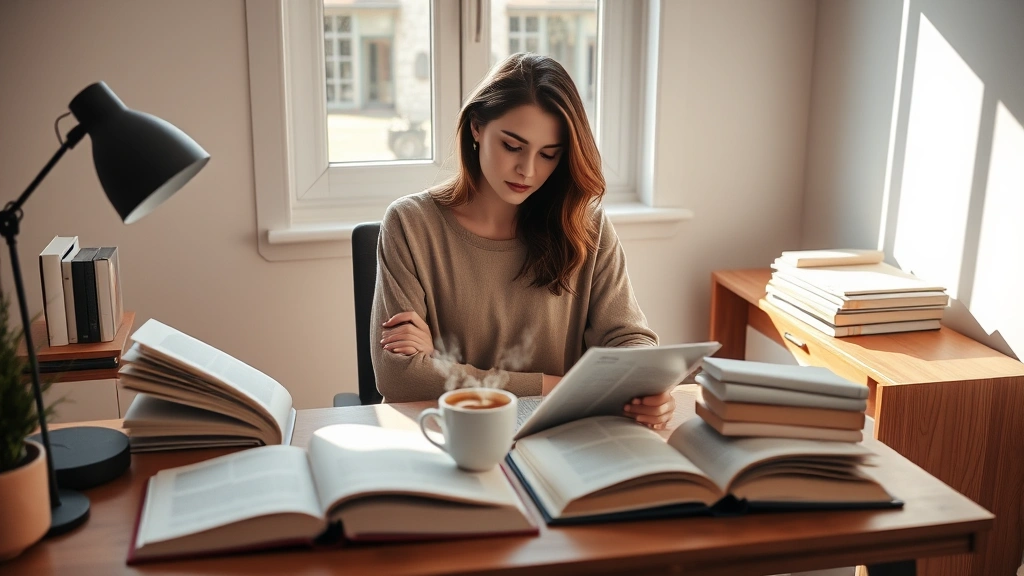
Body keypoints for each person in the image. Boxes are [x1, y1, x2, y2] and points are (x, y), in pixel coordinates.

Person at [370, 53, 675, 429]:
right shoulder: (411, 224)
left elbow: (628, 340)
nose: (528, 170)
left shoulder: (585, 225)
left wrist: (650, 389)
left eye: (548, 155)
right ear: (477, 128)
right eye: (513, 146)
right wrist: (558, 386)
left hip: (559, 438)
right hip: (448, 437)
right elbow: (401, 379)